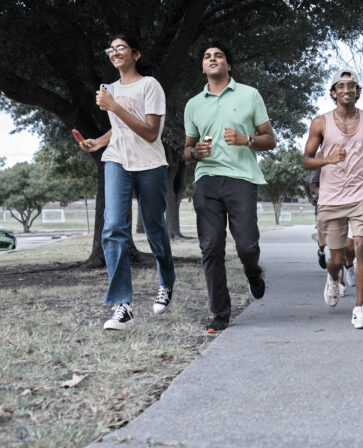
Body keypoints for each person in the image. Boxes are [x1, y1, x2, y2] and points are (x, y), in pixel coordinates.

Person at [80, 34, 176, 330]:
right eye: (110, 49)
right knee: (112, 228)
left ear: (136, 54)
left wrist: (113, 106)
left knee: (154, 227)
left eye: (120, 47)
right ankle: (123, 305)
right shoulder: (109, 89)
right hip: (117, 160)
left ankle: (166, 282)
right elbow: (120, 127)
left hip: (149, 163)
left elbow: (150, 132)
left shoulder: (150, 85)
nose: (114, 52)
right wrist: (99, 141)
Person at [183, 42, 276, 333]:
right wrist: (195, 152)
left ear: (229, 65)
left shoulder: (250, 94)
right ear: (203, 67)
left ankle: (253, 272)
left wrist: (246, 139)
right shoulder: (193, 104)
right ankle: (220, 314)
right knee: (211, 247)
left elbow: (270, 139)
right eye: (207, 56)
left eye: (219, 56)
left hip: (242, 179)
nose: (212, 59)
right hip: (207, 179)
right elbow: (187, 150)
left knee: (247, 246)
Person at [302, 69, 363, 329]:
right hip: (331, 197)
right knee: (337, 260)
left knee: (362, 247)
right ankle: (333, 278)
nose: (346, 90)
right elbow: (306, 161)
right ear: (333, 93)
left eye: (351, 86)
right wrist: (328, 159)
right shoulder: (320, 123)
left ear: (357, 91)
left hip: (362, 193)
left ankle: (360, 309)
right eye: (340, 86)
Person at [303, 165, 327, 270]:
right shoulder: (319, 162)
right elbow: (309, 185)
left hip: (340, 203)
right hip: (322, 204)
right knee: (322, 235)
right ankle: (321, 252)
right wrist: (310, 197)